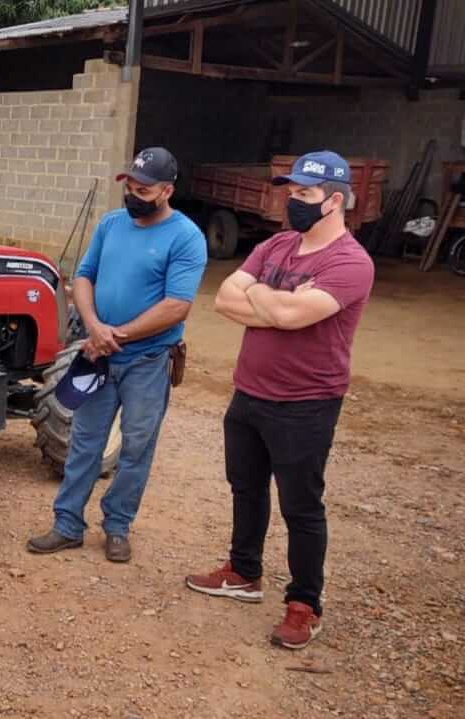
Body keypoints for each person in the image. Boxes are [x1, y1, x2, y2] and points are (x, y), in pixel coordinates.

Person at [186, 151, 374, 650]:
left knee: (301, 506)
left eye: (305, 195)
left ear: (335, 201)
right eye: (291, 192)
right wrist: (280, 302)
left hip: (307, 402)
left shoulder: (351, 263)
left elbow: (292, 317)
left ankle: (304, 604)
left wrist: (264, 299)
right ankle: (244, 573)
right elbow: (224, 298)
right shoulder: (276, 244)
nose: (294, 202)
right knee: (245, 488)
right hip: (250, 390)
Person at [28, 147, 208, 563]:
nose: (132, 195)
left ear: (167, 191)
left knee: (136, 447)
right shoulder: (111, 225)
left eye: (143, 190)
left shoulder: (186, 237)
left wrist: (117, 335)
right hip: (98, 354)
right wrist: (94, 327)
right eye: (128, 185)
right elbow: (84, 277)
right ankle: (67, 524)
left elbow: (176, 306)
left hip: (147, 361)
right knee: (85, 443)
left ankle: (117, 526)